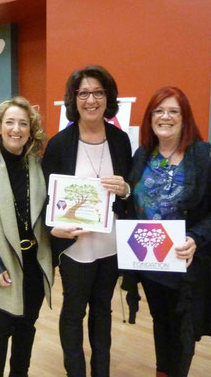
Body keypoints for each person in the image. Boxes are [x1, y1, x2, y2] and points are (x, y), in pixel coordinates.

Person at [125, 86, 211, 377]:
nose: (165, 117)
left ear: (185, 117)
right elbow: (134, 202)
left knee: (183, 331)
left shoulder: (204, 155)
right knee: (161, 324)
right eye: (159, 111)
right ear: (150, 118)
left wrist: (196, 238)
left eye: (173, 111)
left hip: (186, 265)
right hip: (149, 262)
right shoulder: (142, 155)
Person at [42, 65, 132, 377]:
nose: (90, 99)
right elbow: (45, 198)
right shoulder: (59, 144)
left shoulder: (120, 141)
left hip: (110, 245)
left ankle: (101, 371)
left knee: (103, 310)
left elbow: (129, 192)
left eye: (97, 92)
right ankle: (75, 371)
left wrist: (126, 188)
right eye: (83, 93)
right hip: (75, 247)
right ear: (74, 99)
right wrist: (52, 227)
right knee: (73, 311)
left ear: (108, 98)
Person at [0, 96, 54, 377]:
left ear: (31, 130)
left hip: (34, 264)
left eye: (23, 124)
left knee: (26, 329)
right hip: (0, 266)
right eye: (10, 122)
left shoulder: (37, 166)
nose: (16, 129)